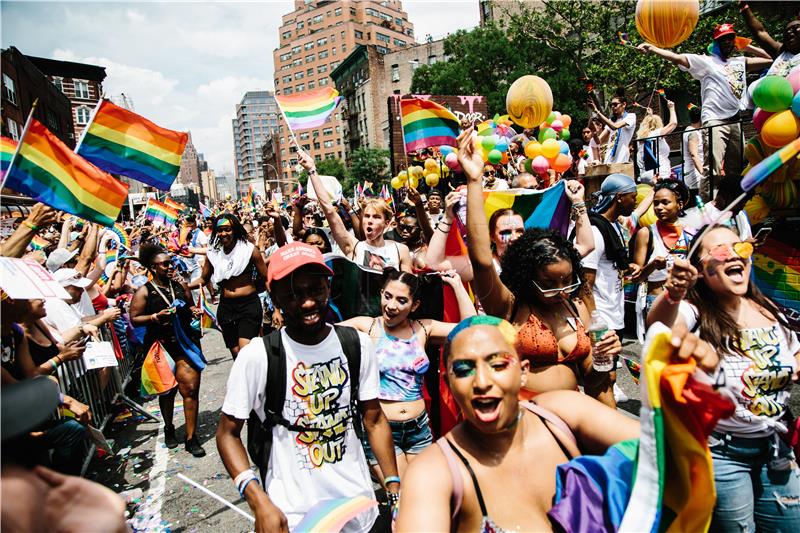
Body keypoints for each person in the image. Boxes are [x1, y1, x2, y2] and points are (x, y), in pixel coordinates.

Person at [217, 242, 400, 533]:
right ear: (274, 296)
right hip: (295, 516)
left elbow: (374, 419)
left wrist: (393, 487)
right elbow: (227, 434)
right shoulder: (258, 356)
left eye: (315, 289)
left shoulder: (357, 345)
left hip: (358, 509)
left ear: (328, 287)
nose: (308, 302)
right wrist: (258, 500)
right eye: (293, 294)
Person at [646, 225, 800, 532]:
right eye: (720, 251)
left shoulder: (769, 309)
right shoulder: (694, 311)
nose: (734, 255)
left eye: (740, 248)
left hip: (776, 449)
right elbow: (660, 327)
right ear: (701, 271)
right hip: (723, 455)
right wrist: (673, 293)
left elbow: (795, 355)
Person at [457, 128, 617, 407]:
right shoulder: (509, 305)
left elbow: (591, 381)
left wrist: (606, 357)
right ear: (527, 277)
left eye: (568, 280)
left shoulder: (575, 307)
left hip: (575, 421)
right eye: (550, 283)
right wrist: (473, 179)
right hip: (525, 422)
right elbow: (482, 261)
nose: (561, 290)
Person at [339, 267, 475, 478]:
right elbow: (323, 335)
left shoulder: (422, 329)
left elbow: (471, 329)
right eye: (387, 296)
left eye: (402, 301)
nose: (391, 306)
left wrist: (456, 284)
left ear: (415, 305)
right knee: (403, 495)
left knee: (425, 490)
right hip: (382, 429)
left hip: (419, 430)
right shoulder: (366, 327)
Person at [637, 24, 772, 194]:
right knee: (713, 168)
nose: (727, 42)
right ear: (715, 43)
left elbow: (772, 57)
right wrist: (653, 49)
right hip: (715, 120)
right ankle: (708, 209)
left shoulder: (740, 62)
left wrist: (747, 46)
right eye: (722, 40)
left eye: (730, 38)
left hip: (735, 119)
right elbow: (677, 58)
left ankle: (732, 206)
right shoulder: (707, 62)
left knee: (735, 168)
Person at [130, 243, 206, 457]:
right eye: (164, 264)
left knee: (190, 389)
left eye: (170, 262)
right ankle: (169, 427)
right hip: (161, 345)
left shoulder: (179, 285)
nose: (169, 266)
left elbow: (189, 307)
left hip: (184, 343)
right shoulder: (144, 291)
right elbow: (134, 319)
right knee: (168, 391)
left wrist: (195, 311)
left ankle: (191, 438)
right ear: (152, 268)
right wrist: (155, 317)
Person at [297, 145, 412, 272]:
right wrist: (312, 169)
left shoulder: (400, 250)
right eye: (367, 216)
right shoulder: (355, 247)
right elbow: (329, 211)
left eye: (376, 217)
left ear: (387, 223)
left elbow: (408, 287)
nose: (369, 220)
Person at [188, 214, 269, 358]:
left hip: (248, 305)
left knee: (245, 352)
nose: (223, 233)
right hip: (226, 308)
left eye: (227, 229)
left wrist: (276, 308)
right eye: (220, 230)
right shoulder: (213, 254)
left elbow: (267, 277)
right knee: (236, 353)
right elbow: (203, 279)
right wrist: (185, 286)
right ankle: (246, 380)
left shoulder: (249, 250)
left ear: (235, 230)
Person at [632, 180, 693, 330]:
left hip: (683, 302)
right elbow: (636, 278)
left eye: (665, 202)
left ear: (680, 204)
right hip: (656, 300)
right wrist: (653, 265)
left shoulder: (689, 233)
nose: (659, 208)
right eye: (656, 203)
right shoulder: (646, 233)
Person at [741, 4, 800, 79]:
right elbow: (759, 32)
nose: (789, 32)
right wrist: (744, 8)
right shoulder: (781, 52)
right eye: (786, 31)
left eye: (795, 27)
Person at [636, 99, 678, 182]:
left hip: (646, 174)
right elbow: (673, 124)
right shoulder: (656, 134)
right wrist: (671, 108)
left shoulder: (641, 138)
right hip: (660, 173)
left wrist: (650, 116)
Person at [590, 94, 637, 164]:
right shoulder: (612, 120)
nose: (612, 107)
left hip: (622, 157)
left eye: (615, 104)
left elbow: (615, 127)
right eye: (611, 105)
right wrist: (594, 133)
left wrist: (597, 112)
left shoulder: (631, 116)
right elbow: (598, 141)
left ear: (624, 104)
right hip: (608, 158)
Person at [682, 104, 705, 200]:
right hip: (695, 175)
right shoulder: (693, 134)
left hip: (692, 173)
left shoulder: (688, 130)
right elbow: (694, 154)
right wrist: (703, 173)